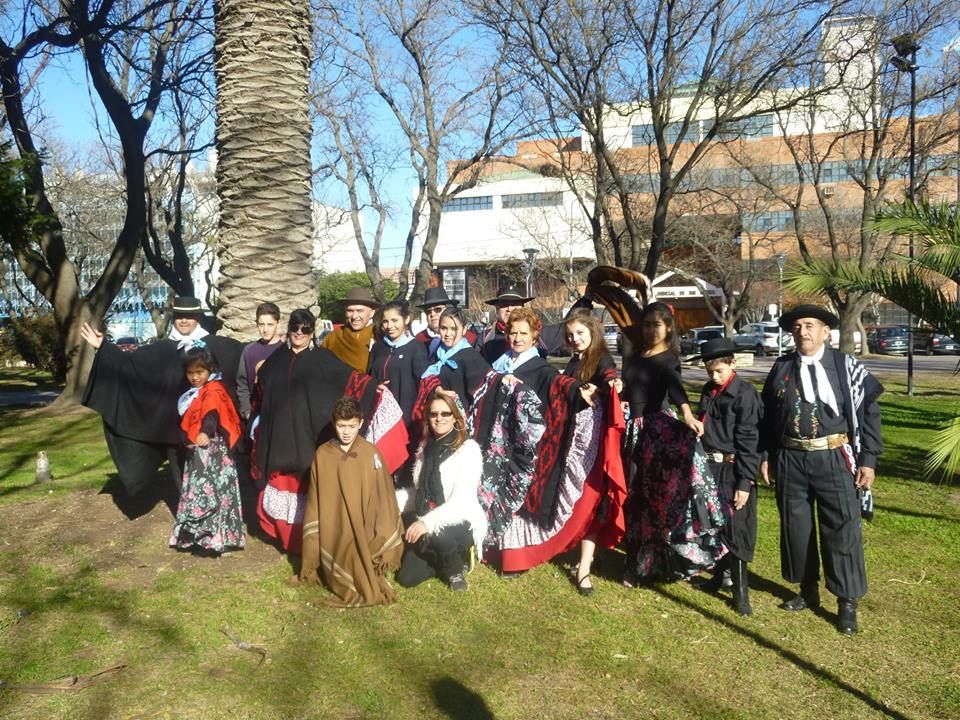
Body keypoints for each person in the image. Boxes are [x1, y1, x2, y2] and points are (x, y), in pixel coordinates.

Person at [759, 305, 883, 634]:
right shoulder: (782, 367)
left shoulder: (845, 366)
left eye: (810, 325)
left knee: (841, 529)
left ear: (826, 331)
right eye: (797, 326)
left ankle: (846, 602)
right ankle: (807, 589)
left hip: (834, 457)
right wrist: (766, 455)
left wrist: (868, 460)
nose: (803, 331)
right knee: (796, 528)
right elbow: (767, 416)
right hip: (791, 458)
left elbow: (869, 414)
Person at [253, 309, 408, 554]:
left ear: (312, 331)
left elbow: (348, 378)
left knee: (311, 485)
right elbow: (260, 393)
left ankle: (313, 539)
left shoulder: (323, 359)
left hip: (310, 435)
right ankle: (287, 540)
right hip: (280, 436)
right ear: (288, 329)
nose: (299, 334)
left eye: (305, 329)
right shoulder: (274, 362)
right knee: (284, 482)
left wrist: (372, 387)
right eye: (295, 328)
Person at [81, 296, 243, 495]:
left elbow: (248, 357)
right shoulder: (159, 350)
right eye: (180, 316)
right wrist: (104, 347)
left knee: (212, 479)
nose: (184, 320)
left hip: (208, 432)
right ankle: (186, 511)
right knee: (181, 481)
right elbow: (129, 365)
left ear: (198, 318)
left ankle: (211, 513)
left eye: (189, 316)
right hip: (172, 432)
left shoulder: (221, 346)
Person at [620, 301, 726, 585]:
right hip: (632, 430)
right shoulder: (635, 355)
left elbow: (676, 389)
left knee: (654, 498)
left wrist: (688, 415)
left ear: (668, 328)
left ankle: (651, 564)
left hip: (655, 431)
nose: (651, 330)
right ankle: (635, 560)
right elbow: (629, 391)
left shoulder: (669, 359)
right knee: (633, 496)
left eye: (657, 325)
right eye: (646, 325)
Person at [297, 397, 404, 606]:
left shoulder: (370, 453)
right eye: (341, 426)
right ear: (334, 424)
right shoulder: (323, 455)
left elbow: (383, 496)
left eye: (352, 426)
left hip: (365, 527)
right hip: (335, 529)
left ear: (361, 423)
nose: (346, 432)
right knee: (343, 568)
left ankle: (364, 559)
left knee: (362, 567)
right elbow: (317, 499)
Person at [694, 338, 762, 616]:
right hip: (710, 467)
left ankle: (740, 592)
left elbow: (750, 441)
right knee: (715, 525)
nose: (714, 376)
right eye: (710, 371)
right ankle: (718, 577)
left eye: (719, 371)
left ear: (733, 364)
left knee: (738, 529)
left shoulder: (745, 395)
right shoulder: (708, 391)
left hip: (734, 469)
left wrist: (745, 481)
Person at [561, 309, 627, 596]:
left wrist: (613, 384)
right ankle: (580, 552)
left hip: (593, 446)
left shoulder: (601, 358)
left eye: (580, 333)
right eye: (570, 335)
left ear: (593, 332)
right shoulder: (576, 360)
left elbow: (609, 374)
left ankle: (584, 567)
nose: (575, 339)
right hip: (574, 443)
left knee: (591, 500)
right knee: (577, 498)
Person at [395, 390, 487, 592]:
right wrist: (392, 502)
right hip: (428, 513)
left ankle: (455, 569)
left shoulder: (468, 450)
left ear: (455, 418)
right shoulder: (425, 447)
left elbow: (461, 502)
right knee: (406, 578)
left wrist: (427, 523)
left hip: (460, 519)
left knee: (439, 534)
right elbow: (419, 491)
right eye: (434, 414)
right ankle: (443, 556)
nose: (439, 418)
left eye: (445, 413)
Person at [169, 343, 245, 554]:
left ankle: (214, 537)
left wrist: (204, 432)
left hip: (213, 451)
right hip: (201, 450)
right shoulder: (197, 391)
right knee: (201, 490)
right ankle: (199, 536)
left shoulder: (213, 390)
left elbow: (212, 414)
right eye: (190, 373)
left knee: (211, 490)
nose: (194, 377)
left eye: (199, 372)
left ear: (210, 369)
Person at [368, 300, 430, 427]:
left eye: (394, 320)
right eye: (385, 321)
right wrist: (374, 385)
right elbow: (369, 376)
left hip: (405, 416)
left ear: (406, 319)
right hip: (378, 415)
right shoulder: (378, 347)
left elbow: (423, 382)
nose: (389, 326)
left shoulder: (416, 347)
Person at [419, 306, 492, 412]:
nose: (448, 334)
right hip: (436, 415)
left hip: (459, 417)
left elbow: (484, 390)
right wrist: (436, 388)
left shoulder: (470, 356)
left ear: (464, 330)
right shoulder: (436, 352)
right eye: (444, 328)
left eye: (454, 329)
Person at [236, 302, 284, 420]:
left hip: (281, 416)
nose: (265, 329)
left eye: (270, 325)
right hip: (255, 415)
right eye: (261, 324)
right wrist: (247, 411)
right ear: (256, 324)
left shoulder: (285, 350)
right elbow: (242, 384)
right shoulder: (249, 351)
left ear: (278, 323)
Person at [322, 287, 380, 372]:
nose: (354, 316)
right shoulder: (334, 336)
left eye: (359, 311)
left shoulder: (379, 334)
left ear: (371, 313)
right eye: (350, 311)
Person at [414, 287, 478, 358]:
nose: (432, 314)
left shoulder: (470, 338)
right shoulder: (419, 339)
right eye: (428, 311)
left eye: (437, 309)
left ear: (449, 309)